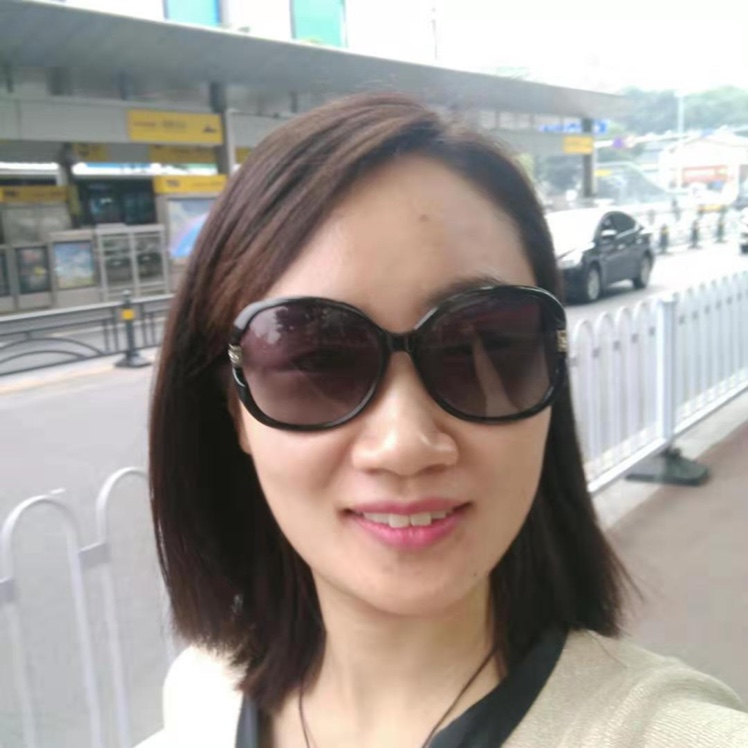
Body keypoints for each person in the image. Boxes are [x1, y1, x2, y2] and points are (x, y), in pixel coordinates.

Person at [143, 93, 748, 748]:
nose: (406, 443)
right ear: (231, 409)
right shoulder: (201, 698)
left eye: (481, 344)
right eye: (316, 357)